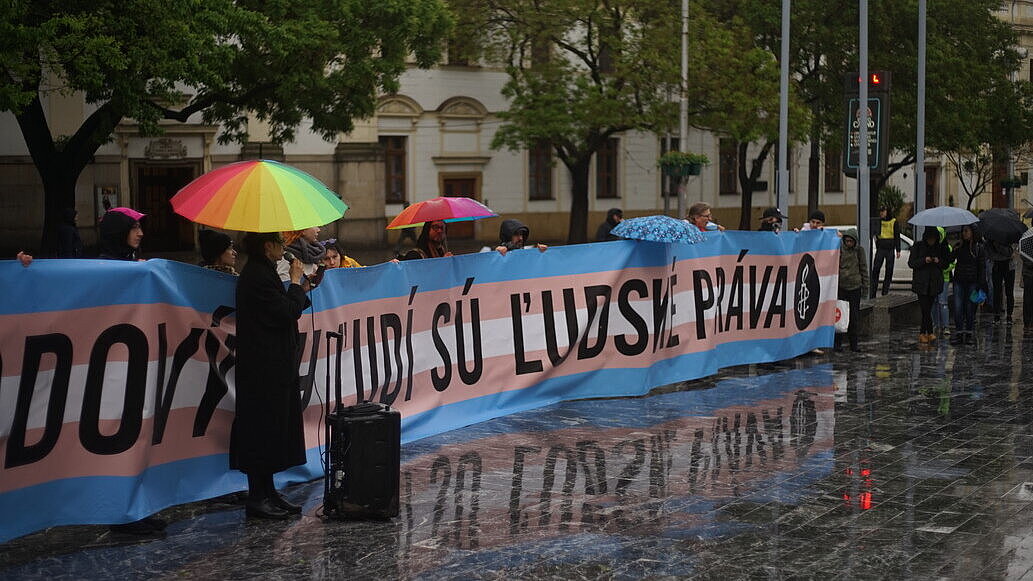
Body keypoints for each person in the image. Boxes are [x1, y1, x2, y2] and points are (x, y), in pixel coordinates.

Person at [231, 232, 311, 519]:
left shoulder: (264, 272)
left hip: (274, 364)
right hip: (262, 367)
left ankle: (269, 491)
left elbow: (287, 305)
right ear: (267, 246)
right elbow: (286, 311)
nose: (283, 247)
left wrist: (302, 287)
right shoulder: (256, 276)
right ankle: (257, 496)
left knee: (274, 429)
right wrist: (295, 283)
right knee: (261, 431)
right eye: (279, 242)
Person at [909, 228, 949, 344]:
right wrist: (924, 260)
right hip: (921, 283)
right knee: (925, 309)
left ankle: (924, 333)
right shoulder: (918, 246)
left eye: (933, 239)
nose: (931, 241)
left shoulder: (940, 248)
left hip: (934, 283)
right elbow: (911, 263)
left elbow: (945, 264)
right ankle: (928, 332)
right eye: (929, 239)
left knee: (928, 308)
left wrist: (938, 261)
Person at [950, 225, 986, 345]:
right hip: (959, 281)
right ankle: (959, 332)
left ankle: (969, 333)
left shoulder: (978, 248)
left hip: (972, 282)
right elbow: (950, 259)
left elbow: (982, 267)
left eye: (966, 231)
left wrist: (981, 285)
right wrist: (953, 249)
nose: (964, 233)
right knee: (958, 307)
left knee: (970, 308)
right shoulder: (959, 246)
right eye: (963, 231)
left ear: (972, 232)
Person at [836, 228, 868, 352]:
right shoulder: (840, 250)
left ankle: (854, 344)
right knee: (840, 316)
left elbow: (863, 268)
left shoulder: (859, 251)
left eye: (851, 241)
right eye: (847, 241)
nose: (849, 243)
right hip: (841, 287)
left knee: (854, 317)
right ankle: (837, 344)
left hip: (855, 288)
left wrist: (865, 287)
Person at [870, 207, 901, 298]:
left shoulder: (894, 221)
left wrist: (898, 250)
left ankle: (885, 292)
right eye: (880, 211)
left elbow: (897, 236)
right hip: (881, 248)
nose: (881, 213)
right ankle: (873, 292)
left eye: (883, 211)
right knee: (876, 269)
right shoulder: (878, 221)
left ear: (887, 212)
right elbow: (874, 232)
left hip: (890, 249)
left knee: (889, 270)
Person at [986, 238, 1016, 324]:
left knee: (1009, 292)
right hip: (997, 266)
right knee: (997, 291)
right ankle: (997, 316)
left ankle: (1009, 316)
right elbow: (990, 254)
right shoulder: (990, 239)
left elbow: (1011, 252)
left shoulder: (1010, 237)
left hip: (1009, 267)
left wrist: (998, 246)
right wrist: (1005, 254)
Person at [932, 227, 955, 337]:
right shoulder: (932, 248)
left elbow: (952, 263)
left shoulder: (948, 248)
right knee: (934, 302)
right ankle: (936, 324)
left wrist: (943, 268)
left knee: (942, 302)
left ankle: (945, 326)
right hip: (934, 278)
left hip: (944, 279)